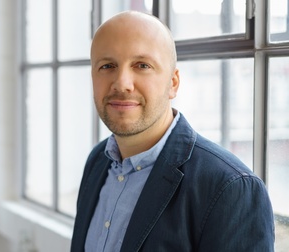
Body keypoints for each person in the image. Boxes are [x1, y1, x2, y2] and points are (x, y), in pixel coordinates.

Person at [70, 11, 275, 252]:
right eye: (107, 66)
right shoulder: (97, 161)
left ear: (173, 83)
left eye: (142, 65)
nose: (122, 83)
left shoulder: (230, 188)